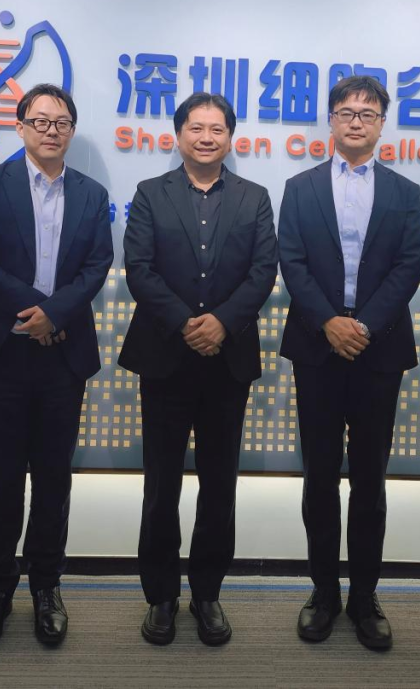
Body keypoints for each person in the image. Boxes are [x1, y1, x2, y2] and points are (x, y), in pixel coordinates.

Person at [0, 83, 113, 648]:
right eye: (40, 121)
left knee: (55, 479)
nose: (51, 131)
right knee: (2, 479)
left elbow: (98, 265)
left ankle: (47, 588)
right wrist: (36, 310)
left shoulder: (91, 194)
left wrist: (53, 315)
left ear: (71, 130)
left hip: (62, 355)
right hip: (0, 354)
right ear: (20, 127)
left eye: (61, 122)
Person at [119, 92, 278, 646]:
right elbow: (138, 268)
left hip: (227, 361)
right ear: (178, 134)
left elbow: (263, 271)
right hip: (165, 357)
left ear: (230, 137)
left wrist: (222, 324)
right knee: (161, 483)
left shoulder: (255, 198)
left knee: (219, 483)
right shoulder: (150, 193)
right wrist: (187, 324)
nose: (206, 137)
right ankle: (161, 596)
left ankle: (207, 592)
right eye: (196, 128)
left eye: (217, 129)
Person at [278, 75, 420, 651]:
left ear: (382, 123)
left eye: (367, 113)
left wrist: (363, 326)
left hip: (377, 350)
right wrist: (328, 322)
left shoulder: (405, 192)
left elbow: (408, 266)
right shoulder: (300, 187)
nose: (356, 121)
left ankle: (365, 597)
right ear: (331, 121)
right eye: (346, 112)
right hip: (317, 348)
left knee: (370, 479)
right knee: (318, 477)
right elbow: (291, 261)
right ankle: (323, 593)